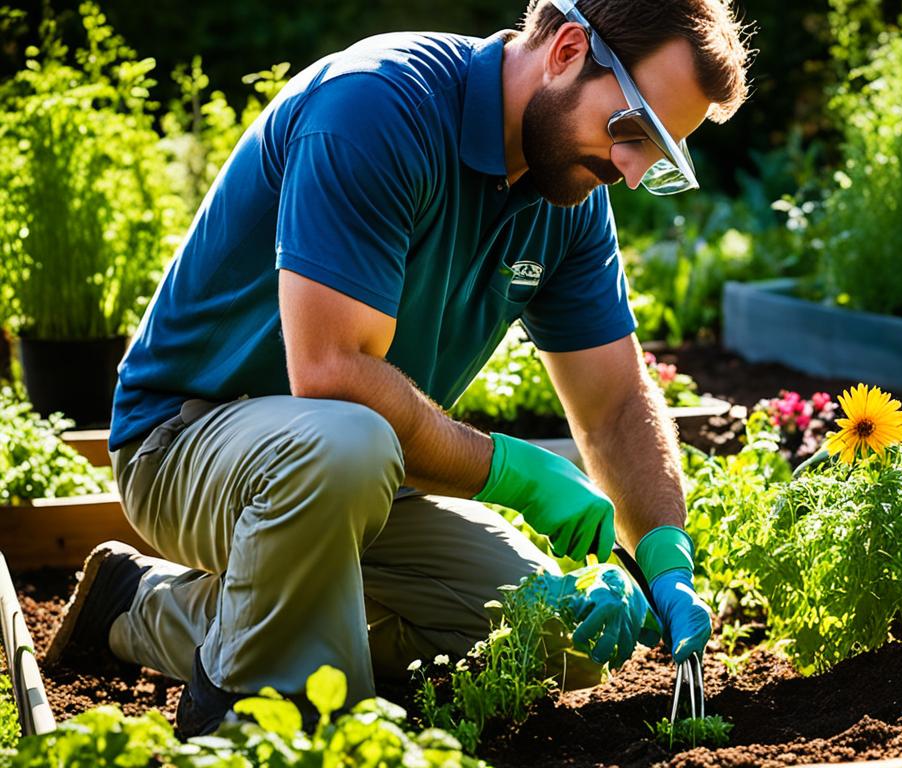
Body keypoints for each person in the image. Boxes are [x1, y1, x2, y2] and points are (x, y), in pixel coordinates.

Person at [47, 0, 752, 737]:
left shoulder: (566, 194)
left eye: (662, 153)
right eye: (632, 130)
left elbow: (613, 406)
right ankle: (258, 721)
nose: (633, 172)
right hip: (187, 447)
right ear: (569, 49)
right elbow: (330, 372)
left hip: (367, 474)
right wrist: (513, 472)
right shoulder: (378, 105)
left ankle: (139, 608)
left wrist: (666, 555)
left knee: (554, 632)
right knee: (343, 444)